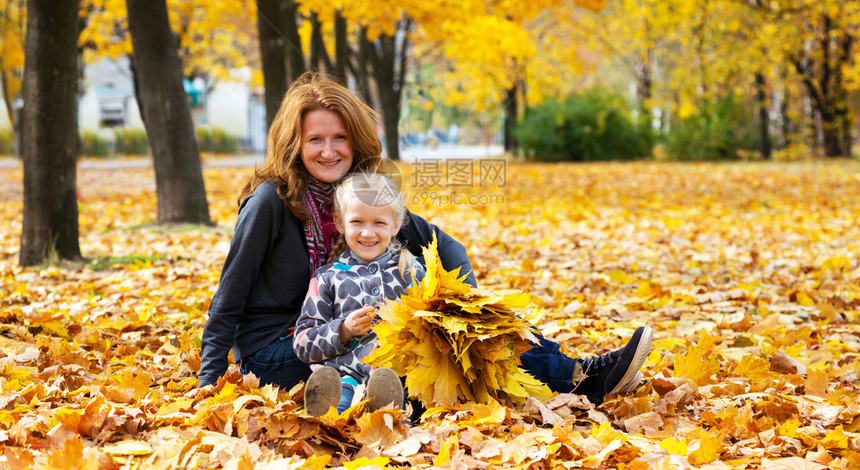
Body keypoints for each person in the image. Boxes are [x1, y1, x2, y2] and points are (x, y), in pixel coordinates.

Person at [198, 72, 652, 408]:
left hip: (357, 336)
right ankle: (573, 379)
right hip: (282, 347)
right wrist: (209, 385)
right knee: (422, 350)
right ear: (293, 143)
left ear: (356, 141)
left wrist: (467, 305)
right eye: (315, 138)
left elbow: (445, 244)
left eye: (340, 137)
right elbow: (228, 298)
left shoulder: (362, 197)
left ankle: (580, 372)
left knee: (467, 329)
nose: (329, 150)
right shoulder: (269, 204)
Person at [293, 172, 422, 415]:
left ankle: (388, 417)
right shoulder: (327, 277)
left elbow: (433, 321)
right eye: (357, 222)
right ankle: (329, 421)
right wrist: (342, 330)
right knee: (338, 405)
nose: (367, 233)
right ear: (340, 223)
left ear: (396, 225)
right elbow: (302, 343)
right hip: (344, 377)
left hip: (397, 372)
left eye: (379, 223)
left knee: (393, 391)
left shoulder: (410, 271)